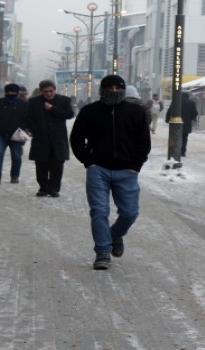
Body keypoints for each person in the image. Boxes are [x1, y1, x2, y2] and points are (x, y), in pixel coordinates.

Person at [70, 75, 151, 270]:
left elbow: (143, 142)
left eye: (118, 87)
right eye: (110, 87)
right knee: (99, 212)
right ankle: (103, 253)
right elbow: (76, 139)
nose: (114, 90)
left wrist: (136, 165)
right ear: (102, 90)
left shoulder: (135, 112)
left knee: (130, 213)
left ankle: (115, 235)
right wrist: (88, 162)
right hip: (98, 169)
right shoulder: (90, 111)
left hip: (127, 171)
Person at [25, 80, 74, 197]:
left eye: (51, 91)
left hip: (58, 139)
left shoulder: (64, 100)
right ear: (41, 91)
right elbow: (28, 119)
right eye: (45, 92)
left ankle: (54, 188)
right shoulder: (33, 102)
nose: (48, 94)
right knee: (41, 164)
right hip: (41, 139)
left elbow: (69, 114)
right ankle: (43, 187)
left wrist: (52, 109)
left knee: (57, 165)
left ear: (55, 90)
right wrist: (36, 131)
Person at [0, 84, 29, 185]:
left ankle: (14, 176)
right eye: (8, 92)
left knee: (16, 156)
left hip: (17, 134)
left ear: (17, 92)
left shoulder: (23, 104)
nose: (10, 94)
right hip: (1, 134)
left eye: (13, 92)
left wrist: (22, 128)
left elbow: (29, 118)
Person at [166, 92, 198, 157]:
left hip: (175, 123)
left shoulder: (175, 102)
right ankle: (182, 152)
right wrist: (190, 118)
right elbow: (195, 113)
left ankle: (173, 151)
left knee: (174, 137)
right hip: (186, 124)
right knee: (184, 138)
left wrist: (167, 120)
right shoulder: (191, 103)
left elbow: (169, 111)